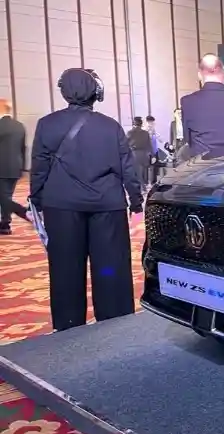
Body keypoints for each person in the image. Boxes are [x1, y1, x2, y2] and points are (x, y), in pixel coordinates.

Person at [29, 68, 143, 332]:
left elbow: (39, 167)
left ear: (63, 91)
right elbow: (128, 168)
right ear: (96, 92)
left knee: (66, 269)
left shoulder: (47, 124)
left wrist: (37, 199)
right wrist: (136, 200)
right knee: (110, 268)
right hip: (108, 206)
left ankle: (69, 327)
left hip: (61, 206)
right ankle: (114, 323)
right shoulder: (111, 126)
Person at [0, 99, 28, 235]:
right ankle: (5, 224)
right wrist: (22, 167)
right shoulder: (19, 126)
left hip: (2, 168)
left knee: (4, 197)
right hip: (15, 166)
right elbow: (23, 148)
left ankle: (23, 212)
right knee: (6, 196)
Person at [126, 116, 151, 188]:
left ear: (134, 123)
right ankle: (144, 186)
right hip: (144, 154)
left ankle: (142, 187)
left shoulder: (130, 132)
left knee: (137, 172)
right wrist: (151, 155)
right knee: (143, 172)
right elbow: (149, 145)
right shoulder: (145, 133)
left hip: (135, 154)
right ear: (141, 123)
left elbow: (125, 144)